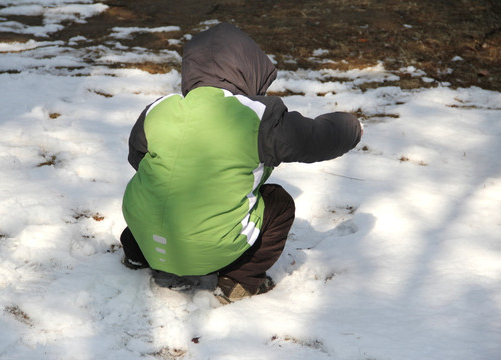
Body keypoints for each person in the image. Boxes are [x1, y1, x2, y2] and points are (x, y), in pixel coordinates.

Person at [120, 22, 362, 303]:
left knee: (154, 193)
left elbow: (137, 158)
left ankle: (137, 255)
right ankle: (239, 280)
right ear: (249, 71)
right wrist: (351, 126)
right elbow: (314, 139)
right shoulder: (255, 117)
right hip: (209, 251)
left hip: (147, 239)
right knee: (279, 203)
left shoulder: (160, 108)